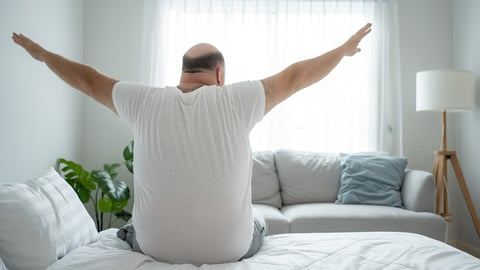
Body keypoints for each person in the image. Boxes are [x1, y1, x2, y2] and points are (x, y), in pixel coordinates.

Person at [12, 22, 371, 265]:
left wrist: (44, 55)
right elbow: (294, 77)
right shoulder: (238, 99)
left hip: (155, 249)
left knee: (130, 230)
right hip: (231, 251)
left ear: (182, 72)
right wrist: (342, 50)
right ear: (220, 75)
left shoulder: (143, 100)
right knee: (258, 220)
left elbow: (90, 81)